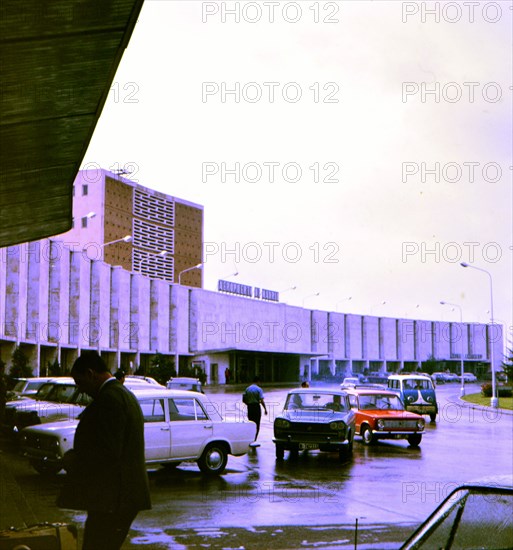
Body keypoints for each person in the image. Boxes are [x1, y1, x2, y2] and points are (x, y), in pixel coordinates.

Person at [57, 351, 151, 550]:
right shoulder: (122, 394)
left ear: (91, 374)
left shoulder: (109, 399)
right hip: (119, 497)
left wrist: (73, 460)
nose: (80, 389)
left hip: (113, 499)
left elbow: (107, 454)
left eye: (79, 381)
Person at [243, 376, 267, 447]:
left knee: (251, 423)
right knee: (257, 424)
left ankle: (250, 439)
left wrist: (248, 404)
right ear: (258, 381)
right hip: (256, 407)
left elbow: (243, 399)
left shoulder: (247, 389)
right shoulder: (259, 389)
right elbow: (261, 400)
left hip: (250, 407)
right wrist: (265, 409)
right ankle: (254, 439)